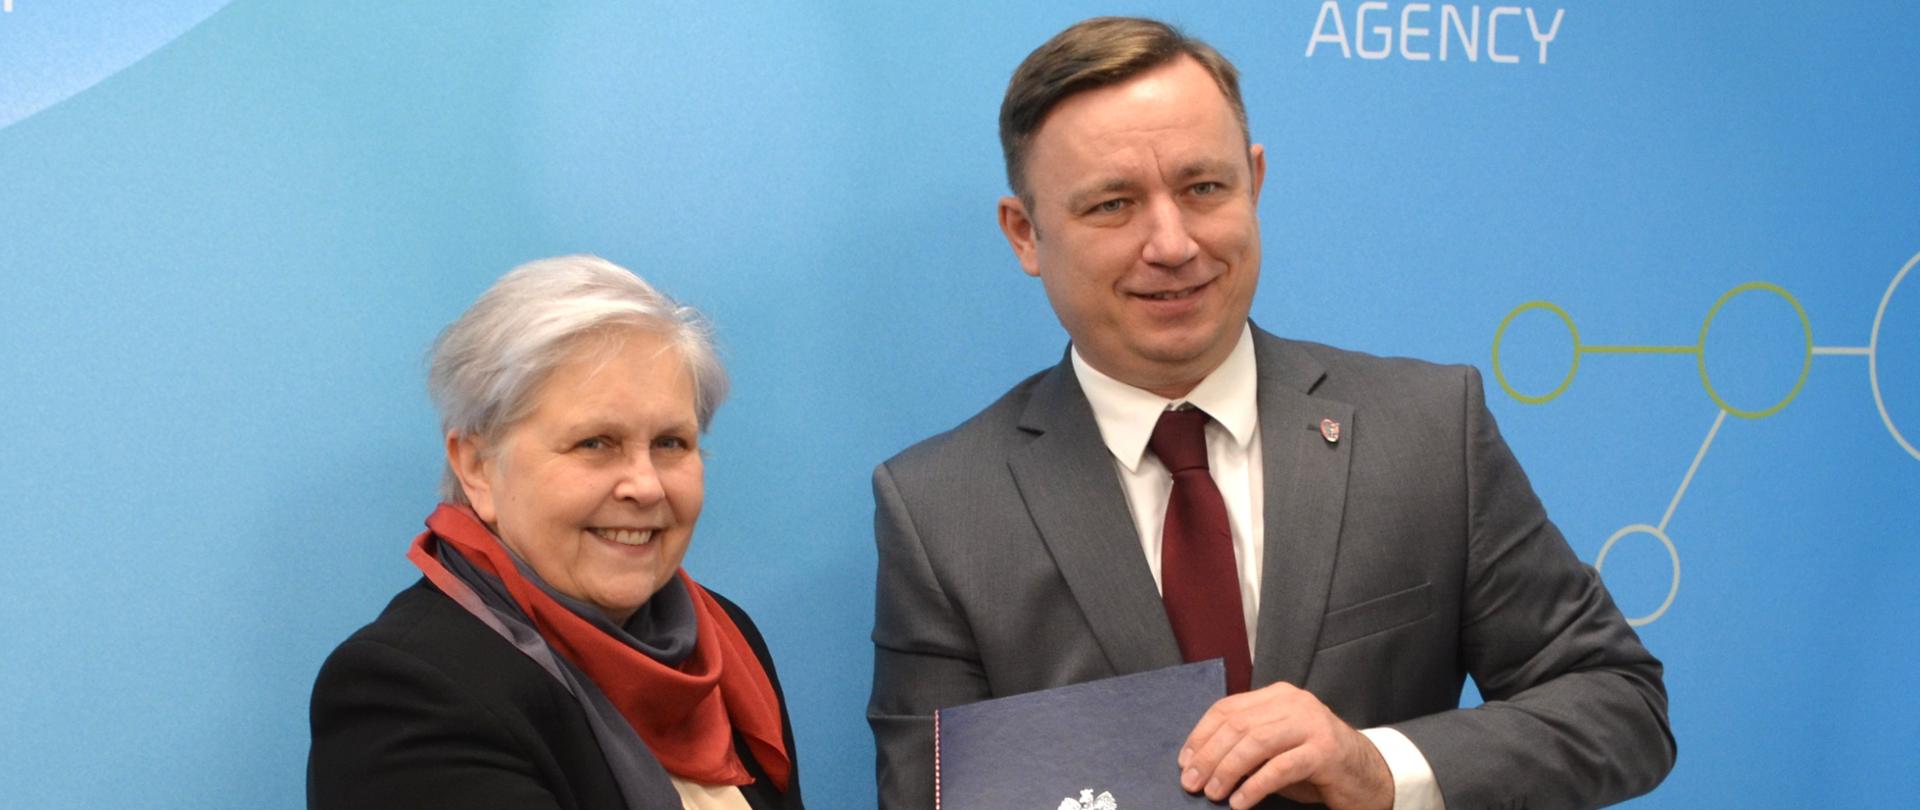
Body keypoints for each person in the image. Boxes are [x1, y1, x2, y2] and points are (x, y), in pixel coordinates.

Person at [868, 17, 1673, 810]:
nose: (1172, 242)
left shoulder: (1429, 431)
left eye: (1203, 187)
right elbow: (926, 797)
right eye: (1113, 205)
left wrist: (1381, 768)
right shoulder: (943, 510)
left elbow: (1618, 703)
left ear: (1254, 180)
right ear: (1025, 234)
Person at [310, 255, 803, 810]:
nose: (645, 486)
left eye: (671, 443)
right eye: (595, 443)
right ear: (476, 466)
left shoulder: (726, 642)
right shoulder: (407, 693)